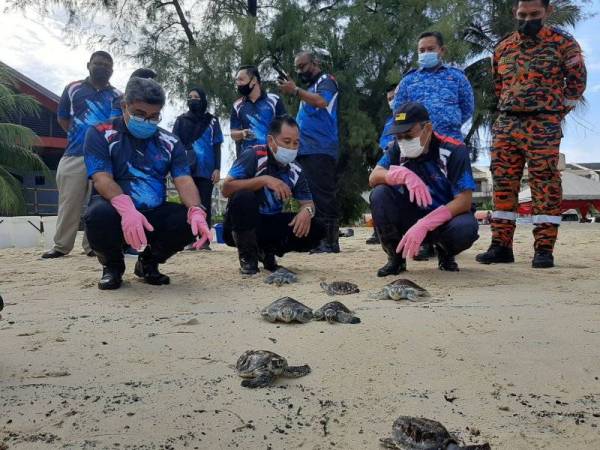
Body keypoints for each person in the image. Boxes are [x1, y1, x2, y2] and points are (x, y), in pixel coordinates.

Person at [476, 0, 587, 269]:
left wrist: (555, 114)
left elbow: (576, 84)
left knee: (544, 185)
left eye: (534, 14)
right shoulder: (503, 47)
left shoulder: (564, 43)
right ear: (515, 13)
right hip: (507, 123)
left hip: (543, 123)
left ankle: (544, 250)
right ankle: (501, 246)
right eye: (522, 14)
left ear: (547, 12)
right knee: (503, 184)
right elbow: (499, 85)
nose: (528, 19)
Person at [83, 77, 211, 290]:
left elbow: (183, 179)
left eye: (154, 116)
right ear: (125, 106)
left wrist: (196, 209)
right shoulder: (100, 133)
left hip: (155, 212)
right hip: (117, 211)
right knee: (96, 214)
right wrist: (126, 208)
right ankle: (112, 267)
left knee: (191, 220)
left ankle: (148, 263)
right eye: (140, 114)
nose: (147, 121)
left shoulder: (170, 142)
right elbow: (101, 178)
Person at [369, 102, 479, 276]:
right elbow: (374, 177)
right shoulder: (397, 149)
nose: (403, 141)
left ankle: (446, 253)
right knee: (379, 194)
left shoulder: (455, 150)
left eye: (408, 134)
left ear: (427, 129)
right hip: (411, 213)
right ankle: (395, 258)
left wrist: (426, 223)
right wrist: (399, 175)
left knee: (465, 228)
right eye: (399, 136)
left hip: (444, 219)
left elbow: (464, 201)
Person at [42, 51, 122, 259]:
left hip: (103, 158)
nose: (102, 67)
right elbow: (62, 119)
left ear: (112, 71)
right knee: (69, 201)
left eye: (107, 65)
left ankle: (93, 246)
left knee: (98, 204)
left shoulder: (117, 96)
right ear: (89, 65)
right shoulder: (72, 88)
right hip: (74, 154)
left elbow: (116, 126)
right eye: (98, 63)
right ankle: (61, 246)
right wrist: (82, 136)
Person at [222, 116, 323, 275]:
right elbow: (226, 188)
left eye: (296, 143)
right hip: (243, 222)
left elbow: (309, 203)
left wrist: (307, 212)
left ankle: (268, 252)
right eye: (287, 141)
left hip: (273, 221)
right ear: (271, 141)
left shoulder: (296, 169)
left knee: (317, 226)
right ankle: (248, 257)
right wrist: (263, 180)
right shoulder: (253, 155)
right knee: (243, 196)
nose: (291, 148)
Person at [278, 51, 340, 253]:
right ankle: (316, 239)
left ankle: (330, 241)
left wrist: (295, 90)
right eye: (297, 68)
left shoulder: (326, 81)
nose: (300, 71)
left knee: (323, 194)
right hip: (305, 149)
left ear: (315, 62)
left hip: (321, 148)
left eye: (303, 66)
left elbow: (322, 101)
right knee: (309, 194)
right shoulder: (310, 88)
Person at [393, 32, 474, 142]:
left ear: (442, 50)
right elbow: (398, 112)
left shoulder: (457, 77)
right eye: (421, 50)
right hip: (418, 143)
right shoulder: (407, 81)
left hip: (450, 140)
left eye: (430, 49)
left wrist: (449, 122)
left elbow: (467, 108)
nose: (426, 53)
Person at [172, 87, 224, 250]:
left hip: (206, 169)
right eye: (189, 97)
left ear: (202, 99)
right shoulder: (180, 120)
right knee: (188, 204)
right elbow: (174, 144)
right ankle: (188, 239)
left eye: (196, 97)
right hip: (185, 170)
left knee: (205, 204)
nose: (192, 100)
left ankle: (205, 240)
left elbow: (217, 146)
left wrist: (217, 168)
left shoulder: (212, 121)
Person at [230, 65, 287, 157]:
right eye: (236, 80)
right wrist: (242, 133)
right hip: (248, 158)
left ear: (253, 80)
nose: (238, 83)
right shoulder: (237, 105)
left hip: (273, 156)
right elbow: (233, 134)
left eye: (241, 79)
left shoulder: (274, 100)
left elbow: (286, 127)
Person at [367, 84, 398, 246]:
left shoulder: (415, 115)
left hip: (412, 163)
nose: (392, 101)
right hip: (390, 162)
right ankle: (379, 231)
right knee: (378, 192)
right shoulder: (389, 122)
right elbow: (384, 142)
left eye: (394, 97)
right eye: (389, 99)